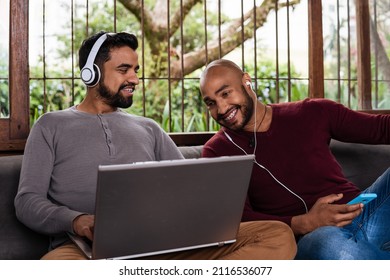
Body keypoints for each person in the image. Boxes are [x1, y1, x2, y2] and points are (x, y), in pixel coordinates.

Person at [14, 32, 296, 260]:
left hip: (164, 245)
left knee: (277, 234)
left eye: (136, 70)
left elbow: (190, 188)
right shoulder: (50, 126)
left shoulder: (149, 128)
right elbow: (27, 202)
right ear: (91, 74)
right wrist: (78, 221)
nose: (135, 79)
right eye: (124, 70)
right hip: (84, 251)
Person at [199, 59, 390, 260]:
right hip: (312, 237)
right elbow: (240, 220)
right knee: (336, 248)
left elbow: (381, 128)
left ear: (246, 81)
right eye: (211, 103)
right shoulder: (216, 151)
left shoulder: (312, 112)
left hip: (366, 211)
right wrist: (305, 222)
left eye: (225, 93)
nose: (220, 109)